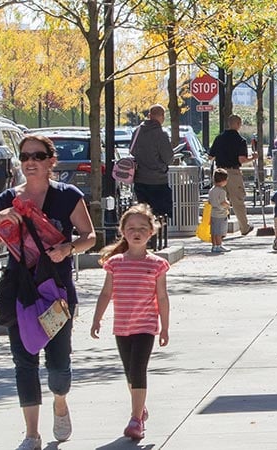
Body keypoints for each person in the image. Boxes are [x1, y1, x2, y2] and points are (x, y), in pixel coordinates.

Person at [0, 134, 97, 450]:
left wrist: (68, 248)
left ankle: (60, 400)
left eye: (38, 156)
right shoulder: (7, 200)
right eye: (25, 156)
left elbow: (90, 236)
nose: (30, 161)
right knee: (24, 362)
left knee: (58, 366)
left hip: (56, 293)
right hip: (21, 293)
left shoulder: (67, 196)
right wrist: (0, 219)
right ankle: (31, 433)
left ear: (50, 161)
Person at [89, 205, 171, 441]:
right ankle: (140, 408)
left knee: (138, 370)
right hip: (122, 326)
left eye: (143, 228)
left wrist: (164, 327)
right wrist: (97, 318)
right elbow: (106, 293)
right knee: (129, 373)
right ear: (123, 231)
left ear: (152, 231)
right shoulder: (114, 263)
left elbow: (162, 297)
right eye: (132, 228)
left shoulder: (157, 264)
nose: (137, 232)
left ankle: (136, 420)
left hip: (145, 326)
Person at [129, 105, 176, 248]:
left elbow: (132, 151)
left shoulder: (137, 131)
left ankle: (145, 240)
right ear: (161, 116)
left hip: (140, 178)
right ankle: (157, 239)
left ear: (149, 115)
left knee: (144, 212)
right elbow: (168, 158)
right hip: (158, 179)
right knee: (160, 212)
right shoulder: (160, 134)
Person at [206, 115, 254, 236]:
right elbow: (242, 160)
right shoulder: (240, 140)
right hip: (233, 173)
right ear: (238, 124)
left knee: (219, 200)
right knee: (237, 200)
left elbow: (211, 156)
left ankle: (219, 230)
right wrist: (254, 158)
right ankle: (244, 227)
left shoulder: (219, 138)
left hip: (220, 172)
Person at [207, 169, 232, 253]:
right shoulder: (222, 191)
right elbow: (223, 202)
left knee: (213, 231)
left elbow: (209, 201)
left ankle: (214, 245)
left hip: (212, 213)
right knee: (219, 232)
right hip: (220, 213)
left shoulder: (211, 190)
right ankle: (219, 245)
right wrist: (228, 204)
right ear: (223, 180)